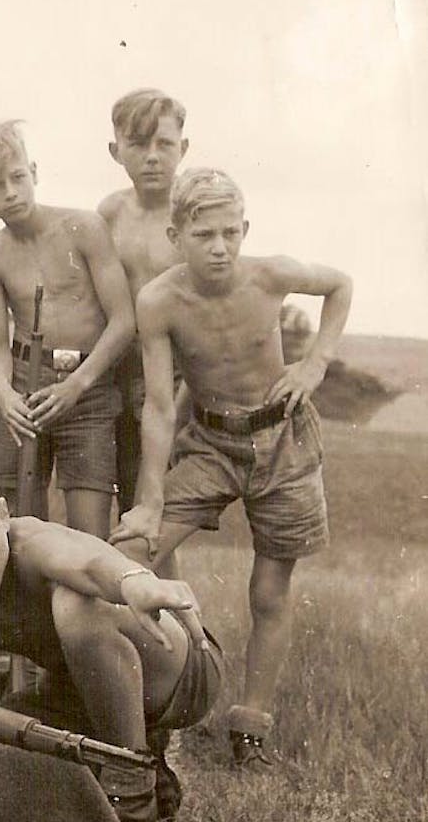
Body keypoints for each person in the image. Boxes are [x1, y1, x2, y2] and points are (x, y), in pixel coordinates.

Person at [110, 168, 352, 767]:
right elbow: (162, 406)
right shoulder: (159, 300)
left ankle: (250, 730)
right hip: (211, 444)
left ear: (244, 230)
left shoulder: (269, 275)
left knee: (269, 590)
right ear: (176, 236)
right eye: (203, 236)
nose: (218, 248)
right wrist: (150, 500)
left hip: (283, 442)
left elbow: (340, 284)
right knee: (134, 551)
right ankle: (163, 704)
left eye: (228, 234)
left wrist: (315, 363)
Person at [0, 450, 224, 822]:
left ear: (2, 513)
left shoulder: (33, 543)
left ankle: (132, 796)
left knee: (76, 602)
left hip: (179, 675)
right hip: (78, 691)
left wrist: (134, 581)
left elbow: (87, 564)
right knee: (14, 729)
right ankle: (150, 769)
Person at [0, 121, 135, 539]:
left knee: (88, 532)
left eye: (18, 177)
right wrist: (3, 392)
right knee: (8, 523)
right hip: (25, 391)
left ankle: (84, 604)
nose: (10, 191)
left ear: (35, 172)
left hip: (88, 391)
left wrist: (76, 386)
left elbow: (123, 321)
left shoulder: (84, 227)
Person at [98, 89, 190, 515]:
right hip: (117, 372)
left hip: (176, 378)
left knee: (156, 509)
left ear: (183, 148)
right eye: (138, 144)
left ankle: (161, 584)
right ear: (117, 151)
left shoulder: (195, 217)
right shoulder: (111, 211)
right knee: (118, 500)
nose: (152, 156)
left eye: (164, 144)